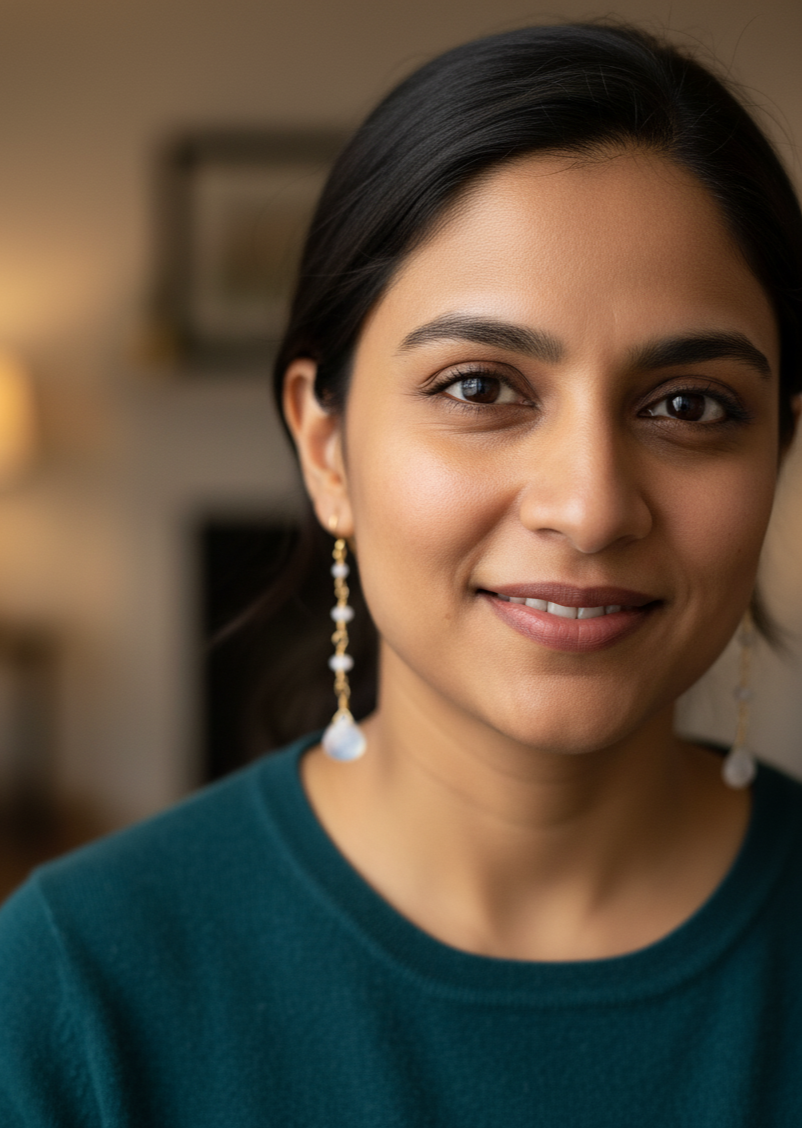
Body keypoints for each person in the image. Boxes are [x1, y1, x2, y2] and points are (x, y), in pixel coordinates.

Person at [0, 21, 800, 1127]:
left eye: (689, 406)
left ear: (775, 453)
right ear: (326, 448)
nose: (589, 505)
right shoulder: (76, 987)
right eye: (479, 388)